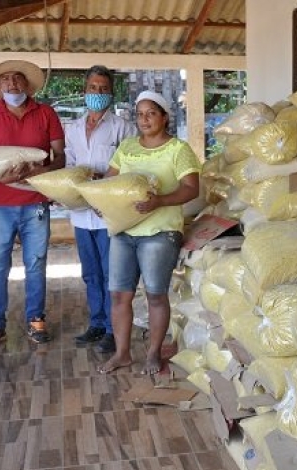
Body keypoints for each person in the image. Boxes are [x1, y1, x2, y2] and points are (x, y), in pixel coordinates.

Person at [98, 90, 200, 376]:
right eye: (140, 114)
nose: (144, 119)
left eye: (151, 113)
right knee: (119, 295)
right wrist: (102, 202)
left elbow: (192, 189)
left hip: (159, 233)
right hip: (123, 231)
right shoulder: (127, 147)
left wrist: (160, 201)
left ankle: (153, 353)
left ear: (164, 117)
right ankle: (122, 354)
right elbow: (110, 181)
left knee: (155, 295)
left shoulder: (178, 149)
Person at [0, 60, 65, 350]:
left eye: (18, 79)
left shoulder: (46, 113)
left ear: (27, 84)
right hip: (0, 204)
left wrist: (42, 172)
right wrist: (3, 174)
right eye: (6, 80)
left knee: (35, 264)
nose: (12, 84)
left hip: (36, 202)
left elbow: (60, 156)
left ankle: (36, 318)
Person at [64, 65, 135, 352]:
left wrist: (103, 187)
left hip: (107, 213)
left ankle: (111, 329)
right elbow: (69, 165)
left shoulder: (123, 128)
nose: (98, 93)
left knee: (110, 273)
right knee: (90, 272)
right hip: (81, 213)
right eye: (93, 88)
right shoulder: (73, 129)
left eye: (103, 89)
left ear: (111, 93)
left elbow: (129, 168)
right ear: (85, 91)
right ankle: (96, 322)